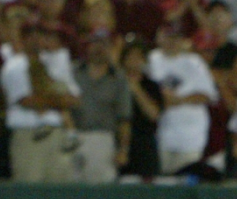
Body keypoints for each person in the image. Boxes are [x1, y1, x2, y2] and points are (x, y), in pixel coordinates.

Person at [0, 21, 81, 183]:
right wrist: (58, 100)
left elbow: (74, 99)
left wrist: (50, 99)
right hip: (28, 134)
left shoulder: (55, 62)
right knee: (29, 190)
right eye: (32, 36)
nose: (37, 40)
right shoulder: (14, 65)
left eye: (41, 36)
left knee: (59, 190)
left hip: (57, 133)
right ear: (23, 39)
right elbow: (28, 101)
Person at [147, 22, 220, 175]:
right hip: (161, 135)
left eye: (176, 38)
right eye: (168, 37)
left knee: (186, 180)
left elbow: (208, 95)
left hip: (190, 136)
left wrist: (178, 100)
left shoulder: (194, 62)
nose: (172, 42)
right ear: (160, 38)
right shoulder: (151, 60)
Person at [72, 29, 133, 184]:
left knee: (101, 189)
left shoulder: (118, 78)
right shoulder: (74, 72)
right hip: (74, 135)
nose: (99, 48)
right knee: (71, 189)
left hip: (103, 139)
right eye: (95, 43)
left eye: (104, 44)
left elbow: (124, 118)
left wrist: (123, 150)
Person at [119, 41, 163, 179]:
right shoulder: (116, 83)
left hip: (145, 143)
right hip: (120, 142)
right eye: (130, 57)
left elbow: (154, 114)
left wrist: (136, 88)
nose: (134, 61)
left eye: (139, 57)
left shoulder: (152, 86)